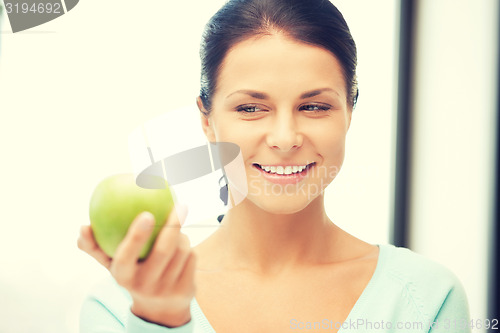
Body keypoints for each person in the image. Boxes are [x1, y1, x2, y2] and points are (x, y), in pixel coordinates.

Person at [77, 0, 471, 332]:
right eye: (251, 108)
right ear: (207, 120)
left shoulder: (427, 299)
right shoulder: (119, 309)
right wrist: (160, 320)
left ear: (349, 112)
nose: (285, 138)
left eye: (314, 106)